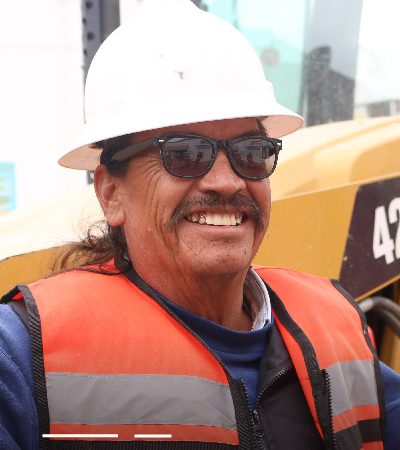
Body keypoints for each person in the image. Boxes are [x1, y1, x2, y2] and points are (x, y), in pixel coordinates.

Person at [1, 1, 399, 449]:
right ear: (111, 192)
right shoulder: (22, 356)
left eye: (252, 152)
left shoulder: (338, 330)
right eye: (184, 154)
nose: (227, 181)